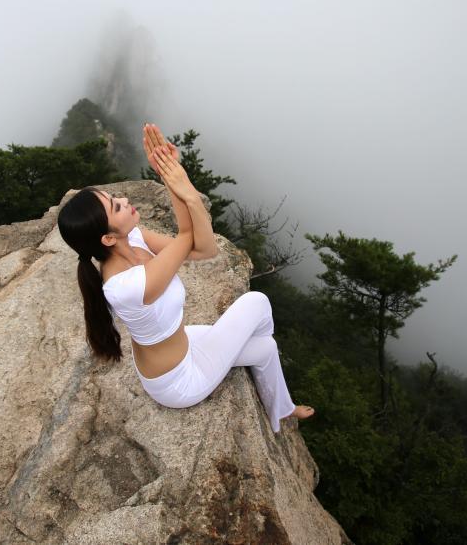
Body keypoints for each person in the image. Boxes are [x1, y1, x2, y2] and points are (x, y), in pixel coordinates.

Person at [56, 123, 314, 434]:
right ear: (108, 239)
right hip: (178, 381)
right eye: (116, 206)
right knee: (258, 304)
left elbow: (204, 250)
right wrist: (181, 184)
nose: (124, 200)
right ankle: (271, 391)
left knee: (265, 349)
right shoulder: (126, 287)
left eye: (116, 197)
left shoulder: (134, 237)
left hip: (184, 343)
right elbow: (189, 235)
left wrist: (172, 176)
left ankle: (282, 412)